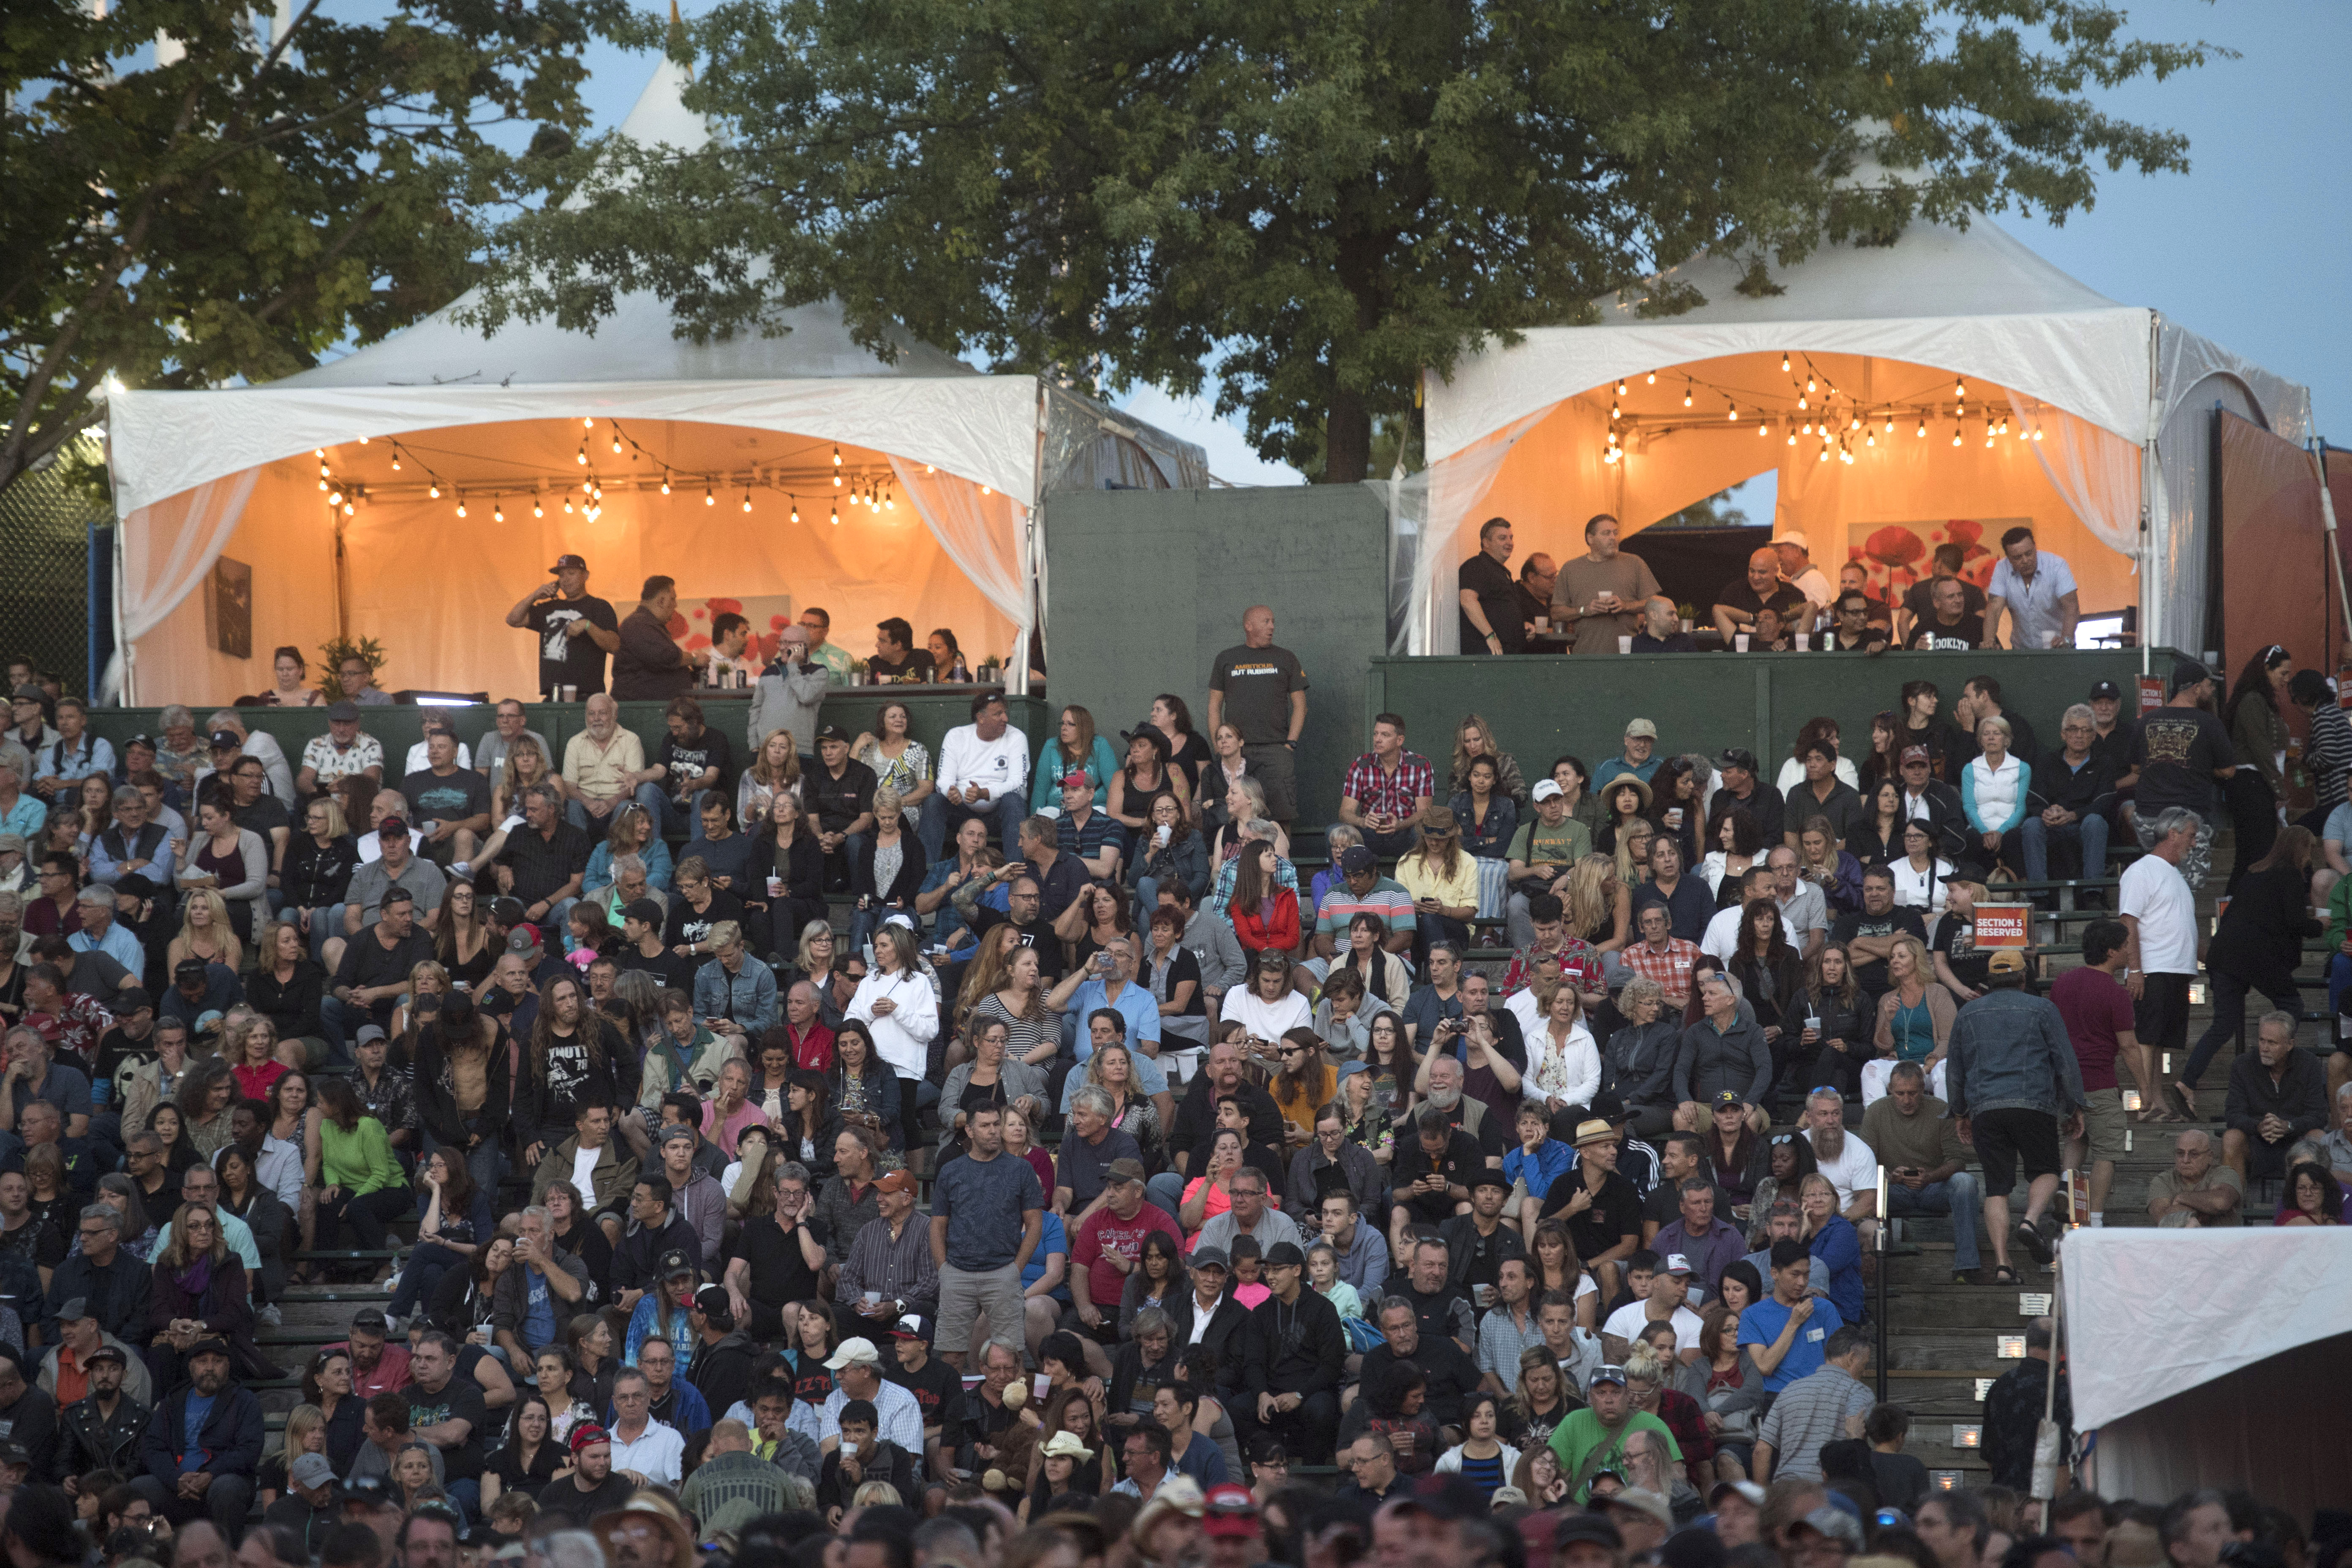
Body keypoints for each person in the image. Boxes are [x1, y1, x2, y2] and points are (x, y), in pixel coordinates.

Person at [1946, 949, 2086, 1281]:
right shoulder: (2043, 1009)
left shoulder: (1967, 1013)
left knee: (1997, 1188)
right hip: (2033, 1105)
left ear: (1990, 980)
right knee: (2048, 1170)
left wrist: (1959, 1112)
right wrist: (2074, 1105)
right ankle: (2030, 1220)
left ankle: (2003, 1264)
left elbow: (1955, 1070)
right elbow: (2065, 1061)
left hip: (1986, 1110)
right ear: (2024, 977)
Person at [2120, 810, 2203, 1117]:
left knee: (2159, 1041)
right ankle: (2145, 1104)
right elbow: (2128, 921)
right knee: (2146, 1038)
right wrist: (2136, 969)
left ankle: (2157, 1102)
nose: (2194, 844)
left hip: (2176, 970)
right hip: (2153, 968)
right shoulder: (2142, 871)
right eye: (2192, 836)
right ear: (2174, 834)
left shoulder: (2175, 875)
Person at [131, 1337, 260, 1531]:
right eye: (203, 1361)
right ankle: (151, 1554)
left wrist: (210, 1474)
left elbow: (249, 1450)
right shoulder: (173, 1401)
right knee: (139, 1487)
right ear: (191, 1366)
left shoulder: (244, 1400)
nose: (210, 1367)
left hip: (221, 1484)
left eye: (217, 1362)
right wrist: (176, 1479)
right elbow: (153, 1447)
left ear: (228, 1366)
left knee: (227, 1488)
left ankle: (228, 1555)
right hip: (176, 1487)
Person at [2130, 661, 2235, 890]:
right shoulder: (2210, 724)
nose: (2213, 690)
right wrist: (2201, 766)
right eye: (2210, 685)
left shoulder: (2145, 722)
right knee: (2187, 890)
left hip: (2149, 821)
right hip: (2188, 823)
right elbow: (2229, 771)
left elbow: (2136, 769)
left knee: (2155, 885)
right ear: (2196, 688)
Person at [1206, 608, 1308, 826]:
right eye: (1266, 621)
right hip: (1237, 750)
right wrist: (1219, 744)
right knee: (1234, 812)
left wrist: (1290, 744)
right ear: (1248, 626)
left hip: (1276, 749)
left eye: (1273, 621)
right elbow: (1214, 707)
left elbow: (1300, 706)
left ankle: (1281, 858)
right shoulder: (1227, 658)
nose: (1272, 626)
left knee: (1281, 814)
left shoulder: (1286, 658)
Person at [2219, 1013, 2327, 1185]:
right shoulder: (2243, 1065)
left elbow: (2318, 1115)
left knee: (2319, 1137)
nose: (2264, 1048)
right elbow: (2233, 1114)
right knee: (2232, 1138)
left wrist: (2289, 1126)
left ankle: (2311, 1208)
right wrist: (2259, 1126)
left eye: (2272, 1043)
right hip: (2256, 1142)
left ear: (2290, 1045)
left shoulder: (2309, 1064)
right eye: (2262, 1041)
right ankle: (2233, 1208)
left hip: (2296, 1141)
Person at [506, 555, 619, 699]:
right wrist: (534, 596)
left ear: (585, 576)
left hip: (586, 696)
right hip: (552, 694)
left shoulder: (599, 607)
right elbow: (513, 620)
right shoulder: (549, 608)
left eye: (571, 573)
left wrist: (588, 626)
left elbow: (615, 646)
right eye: (561, 575)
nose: (565, 579)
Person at [1549, 515, 1662, 655]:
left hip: (1629, 655)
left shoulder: (1634, 563)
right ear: (1590, 539)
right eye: (1606, 533)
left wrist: (1625, 606)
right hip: (1586, 655)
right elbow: (1556, 613)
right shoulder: (1571, 568)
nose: (1613, 538)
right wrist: (1585, 610)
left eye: (1616, 533)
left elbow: (1656, 604)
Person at [1339, 716, 1433, 859]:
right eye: (1376, 734)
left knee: (1423, 833)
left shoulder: (1419, 766)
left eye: (1385, 735)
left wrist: (1400, 825)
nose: (1378, 739)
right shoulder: (1361, 765)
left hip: (1406, 834)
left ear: (1400, 740)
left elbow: (1424, 812)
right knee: (1334, 832)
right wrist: (1363, 822)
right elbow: (1345, 812)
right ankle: (1344, 879)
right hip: (1370, 835)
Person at [1983, 528, 2079, 650]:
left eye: (2029, 553)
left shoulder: (2056, 565)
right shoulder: (2002, 568)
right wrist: (1988, 643)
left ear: (2035, 547)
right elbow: (1994, 609)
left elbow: (2072, 606)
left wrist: (2066, 640)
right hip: (2021, 651)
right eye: (2018, 558)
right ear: (2008, 558)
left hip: (2059, 649)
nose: (2025, 560)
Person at [1712, 550, 1808, 643]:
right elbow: (1716, 621)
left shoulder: (1793, 595)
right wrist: (1754, 620)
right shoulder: (1734, 593)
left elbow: (1807, 619)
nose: (1756, 577)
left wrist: (1780, 621)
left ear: (1776, 571)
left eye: (1762, 572)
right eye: (1752, 571)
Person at [1458, 518, 1524, 656]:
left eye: (1511, 538)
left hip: (1505, 653)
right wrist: (1490, 636)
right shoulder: (1477, 566)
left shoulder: (1501, 571)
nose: (1509, 543)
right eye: (1502, 538)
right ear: (1486, 542)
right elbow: (1468, 601)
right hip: (1486, 654)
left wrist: (1522, 628)